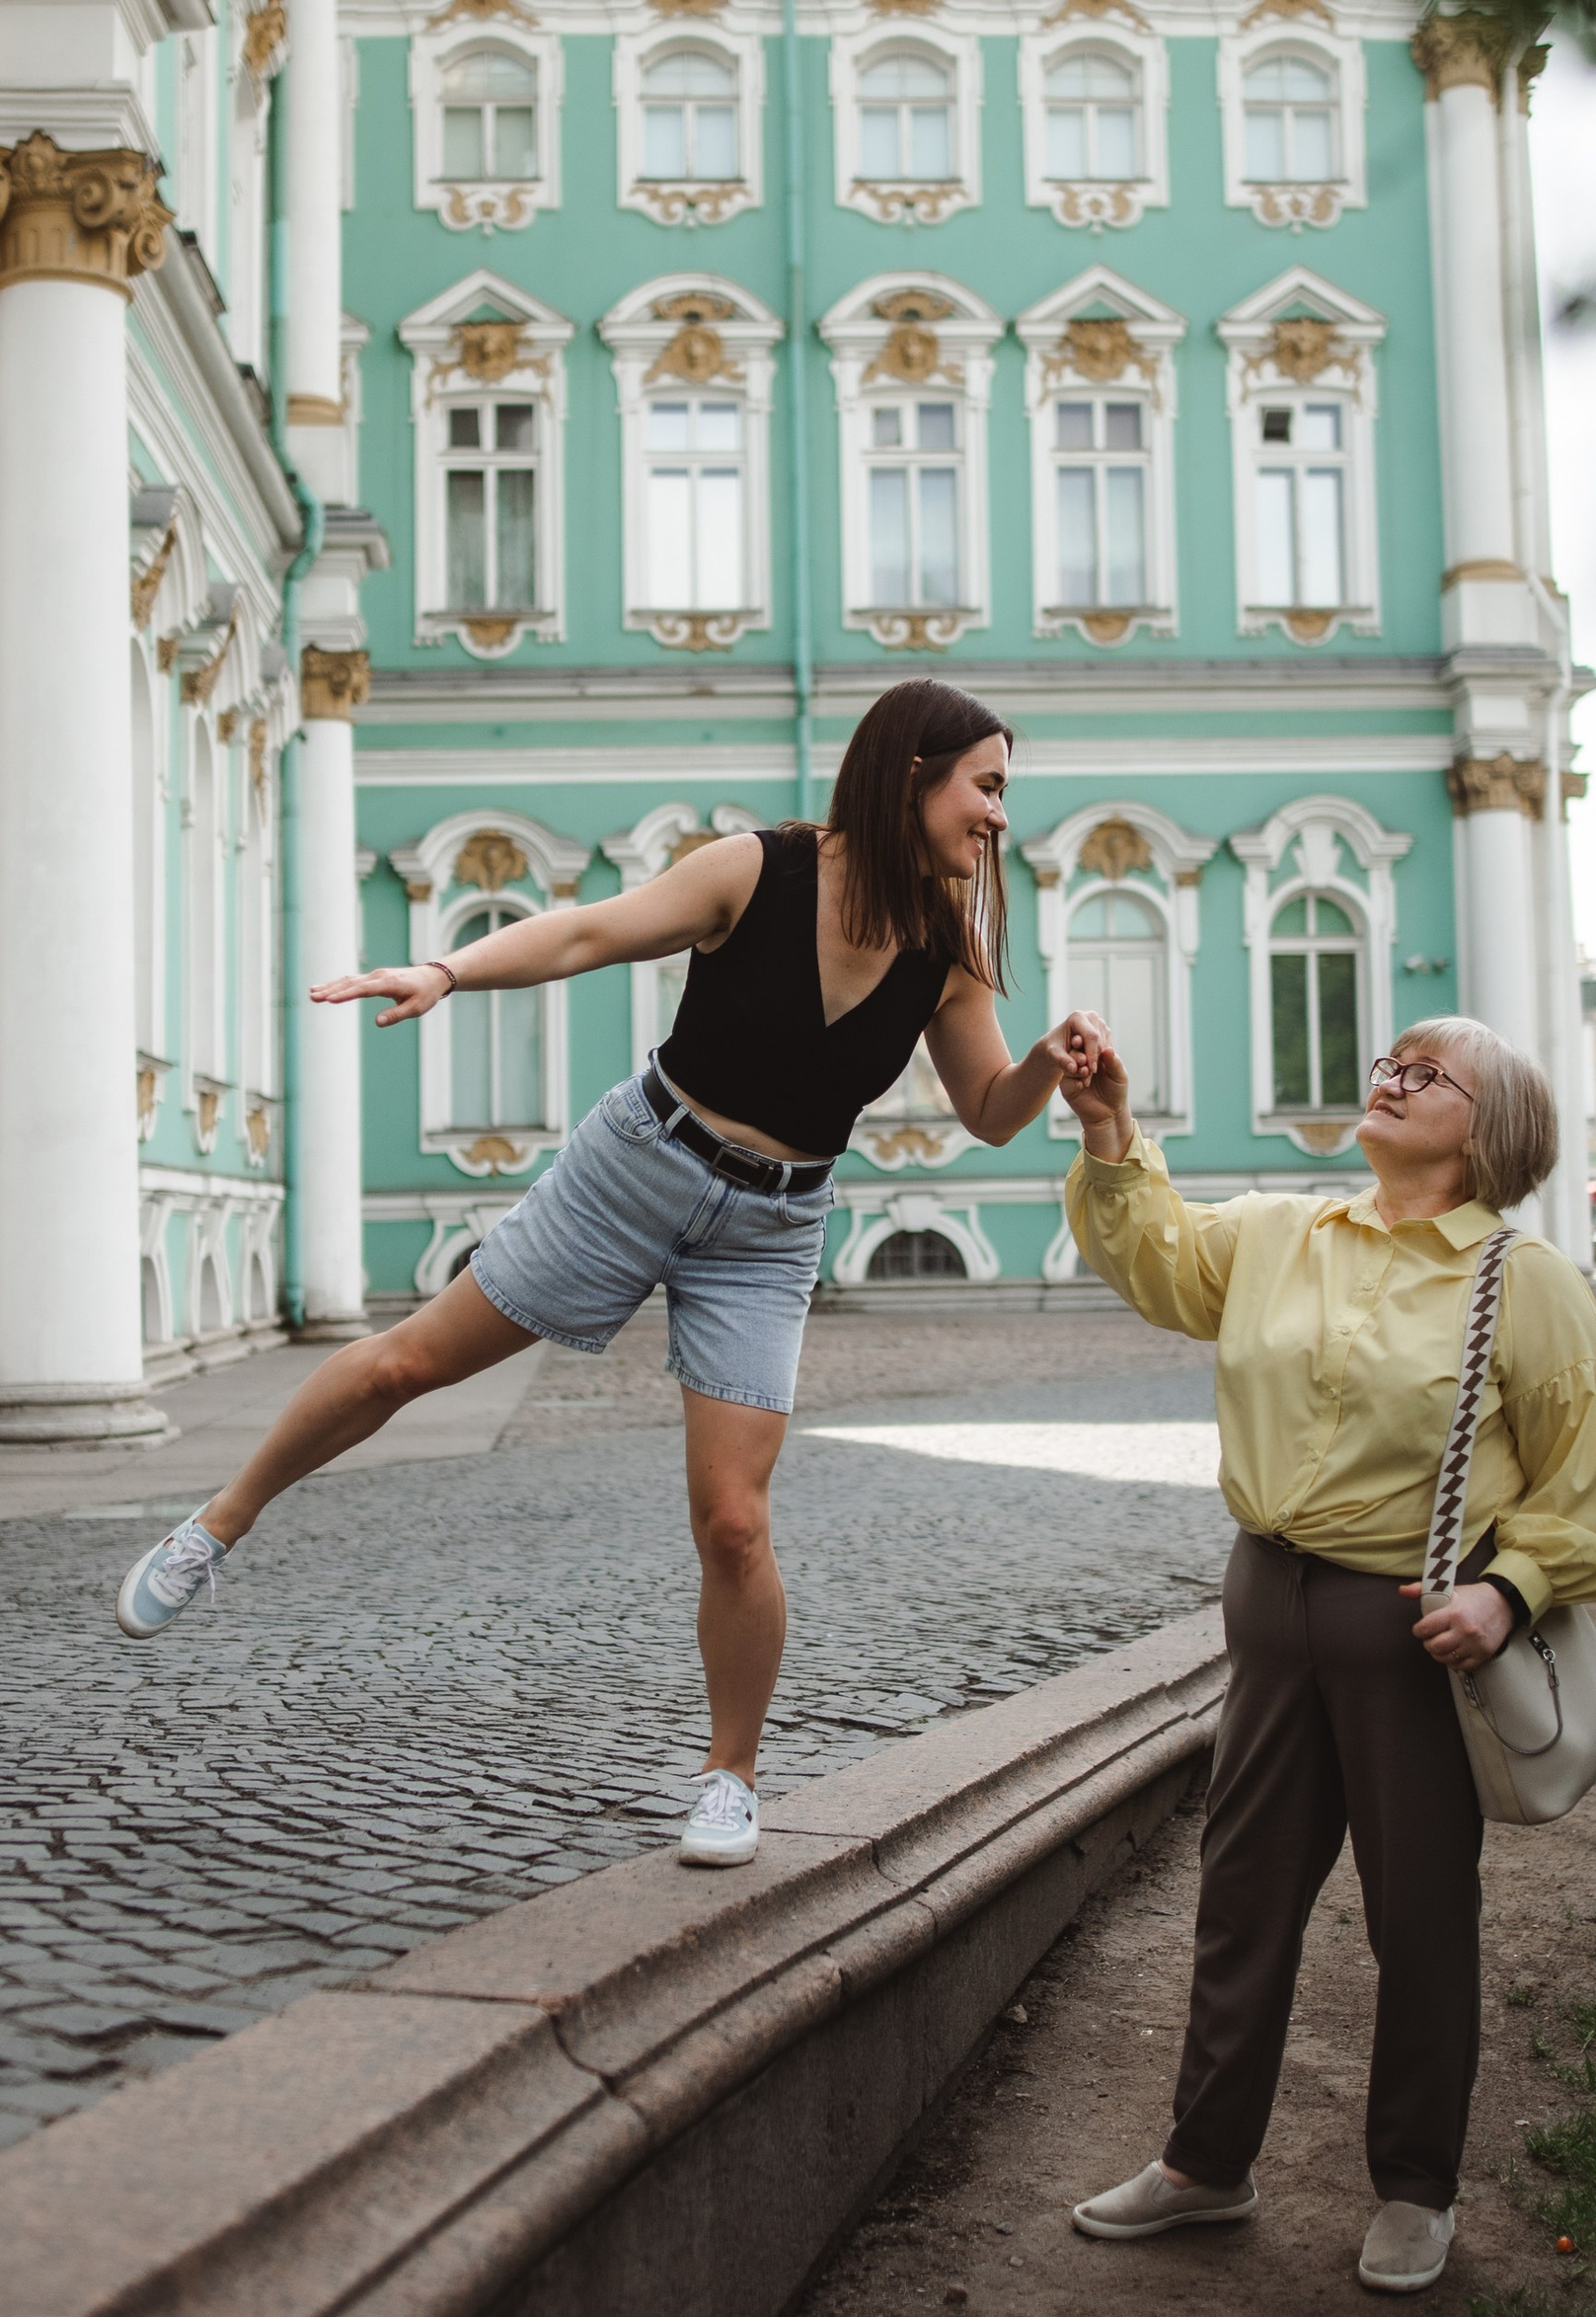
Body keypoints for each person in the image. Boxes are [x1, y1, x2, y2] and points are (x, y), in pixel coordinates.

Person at [113, 679, 1103, 1867]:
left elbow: (989, 1114)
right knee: (407, 1366)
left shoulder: (950, 952)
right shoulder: (755, 869)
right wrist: (446, 972)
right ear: (912, 774)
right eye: (986, 784)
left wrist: (1045, 1063)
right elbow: (589, 930)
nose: (999, 815)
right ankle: (218, 1524)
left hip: (771, 1229)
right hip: (637, 1164)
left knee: (733, 1519)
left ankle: (729, 1777)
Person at [1061, 1019, 1596, 2294]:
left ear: (1488, 1132)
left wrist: (1509, 1591)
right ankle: (1207, 2162)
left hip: (1415, 1632)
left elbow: (1594, 1482)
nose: (1391, 1075)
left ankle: (1415, 2185)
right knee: (1244, 1889)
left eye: (1430, 1073)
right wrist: (1109, 1128)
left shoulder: (1522, 1278)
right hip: (1268, 1599)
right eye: (1391, 1060)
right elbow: (1158, 1261)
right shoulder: (1282, 1232)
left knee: (1420, 1911)